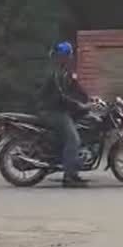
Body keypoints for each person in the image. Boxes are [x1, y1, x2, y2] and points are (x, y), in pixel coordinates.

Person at [38, 41, 91, 188]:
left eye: (70, 56)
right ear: (61, 56)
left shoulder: (65, 72)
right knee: (73, 139)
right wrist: (79, 105)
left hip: (60, 109)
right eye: (67, 55)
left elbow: (76, 89)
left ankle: (73, 172)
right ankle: (69, 178)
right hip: (51, 111)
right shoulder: (55, 72)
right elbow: (61, 96)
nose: (70, 58)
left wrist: (91, 99)